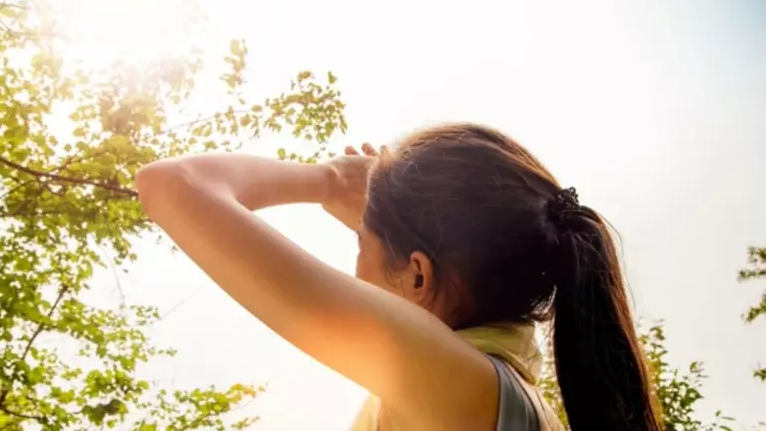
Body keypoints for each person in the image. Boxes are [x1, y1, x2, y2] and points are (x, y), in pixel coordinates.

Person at [136, 122, 663, 431]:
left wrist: (325, 179)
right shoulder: (500, 393)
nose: (355, 270)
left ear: (417, 276)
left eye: (357, 246)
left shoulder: (455, 383)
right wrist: (379, 233)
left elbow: (171, 185)